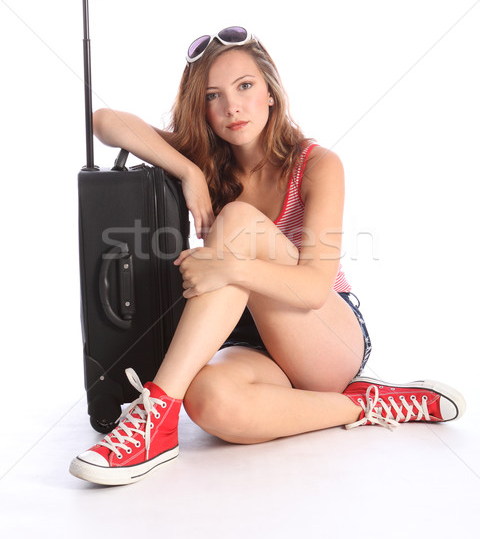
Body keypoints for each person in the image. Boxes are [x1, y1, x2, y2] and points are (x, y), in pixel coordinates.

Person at [69, 27, 466, 486]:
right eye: (213, 96)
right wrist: (188, 169)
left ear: (271, 93)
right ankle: (367, 404)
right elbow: (104, 120)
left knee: (238, 220)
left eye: (245, 86)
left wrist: (230, 265)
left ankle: (154, 417)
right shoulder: (208, 162)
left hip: (323, 335)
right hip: (252, 343)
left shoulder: (317, 165)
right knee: (208, 400)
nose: (232, 107)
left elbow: (316, 287)